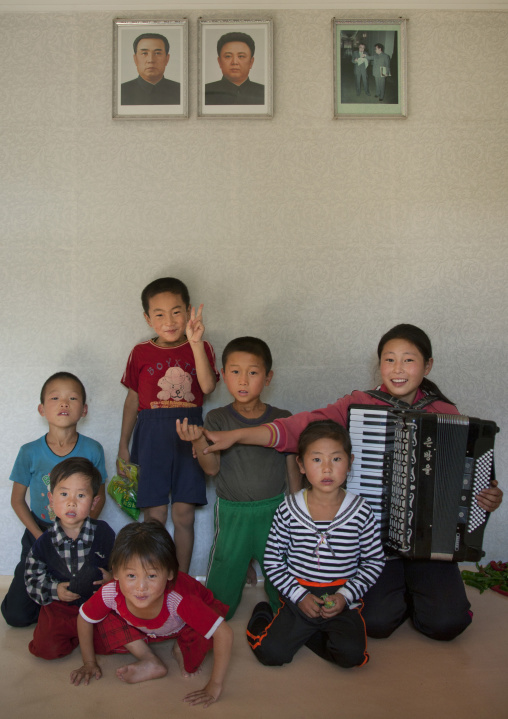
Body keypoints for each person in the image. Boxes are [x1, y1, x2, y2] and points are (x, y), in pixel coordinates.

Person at [202, 324, 503, 641]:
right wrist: (235, 435)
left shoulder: (445, 413)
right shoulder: (359, 405)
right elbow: (298, 428)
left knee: (447, 625)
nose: (397, 370)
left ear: (427, 366)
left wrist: (486, 497)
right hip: (376, 545)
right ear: (379, 365)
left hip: (429, 546)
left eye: (408, 360)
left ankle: (422, 592)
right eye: (389, 360)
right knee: (374, 624)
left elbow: (463, 484)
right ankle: (407, 592)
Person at [176, 336, 301, 619]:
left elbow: (293, 468)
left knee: (282, 571)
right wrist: (197, 441)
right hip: (233, 512)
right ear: (223, 375)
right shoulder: (218, 419)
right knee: (224, 574)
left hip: (276, 511)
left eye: (253, 372)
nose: (243, 380)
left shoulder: (282, 419)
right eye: (235, 372)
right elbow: (211, 469)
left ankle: (287, 616)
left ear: (268, 377)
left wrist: (297, 509)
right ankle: (215, 619)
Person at [247, 420, 384, 668]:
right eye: (317, 460)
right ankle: (263, 615)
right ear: (301, 464)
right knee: (272, 654)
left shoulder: (362, 511)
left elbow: (374, 562)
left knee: (352, 657)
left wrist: (345, 596)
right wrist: (299, 597)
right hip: (299, 595)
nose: (327, 469)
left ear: (350, 461)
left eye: (336, 459)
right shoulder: (288, 509)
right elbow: (273, 561)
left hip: (342, 598)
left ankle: (311, 635)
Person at [70, 521, 233, 708]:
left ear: (170, 573)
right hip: (144, 628)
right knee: (99, 628)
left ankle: (180, 647)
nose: (141, 587)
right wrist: (89, 662)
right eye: (131, 576)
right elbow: (84, 618)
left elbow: (224, 633)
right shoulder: (111, 592)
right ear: (115, 572)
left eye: (152, 576)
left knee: (206, 636)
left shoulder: (180, 599)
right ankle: (149, 659)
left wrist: (215, 685)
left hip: (182, 624)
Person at [118, 277, 219, 572]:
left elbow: (208, 387)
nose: (169, 320)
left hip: (190, 437)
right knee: (154, 516)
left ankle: (182, 578)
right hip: (150, 437)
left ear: (188, 312)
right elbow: (132, 402)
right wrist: (124, 444)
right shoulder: (140, 352)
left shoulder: (202, 347)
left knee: (184, 515)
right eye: (159, 314)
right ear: (148, 318)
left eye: (176, 311)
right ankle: (154, 576)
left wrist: (197, 343)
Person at [1, 372, 107, 628]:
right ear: (41, 409)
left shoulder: (93, 449)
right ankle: (49, 592)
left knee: (86, 604)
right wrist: (40, 537)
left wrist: (80, 532)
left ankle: (61, 599)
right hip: (40, 532)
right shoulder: (29, 452)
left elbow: (99, 495)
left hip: (79, 535)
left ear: (84, 409)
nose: (64, 403)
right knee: (15, 616)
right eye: (55, 398)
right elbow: (17, 501)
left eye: (72, 398)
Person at [25, 457, 115, 659]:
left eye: (81, 495)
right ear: (51, 499)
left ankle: (85, 636)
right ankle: (68, 634)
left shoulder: (104, 533)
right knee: (45, 649)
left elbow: (121, 564)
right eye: (64, 494)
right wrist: (55, 590)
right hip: (59, 609)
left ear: (94, 502)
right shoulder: (44, 542)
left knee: (113, 644)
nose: (71, 502)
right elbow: (32, 579)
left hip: (95, 606)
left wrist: (112, 578)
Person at [205, 32, 264, 106]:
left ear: (251, 62)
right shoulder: (205, 92)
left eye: (241, 56)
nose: (234, 62)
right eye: (228, 56)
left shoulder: (265, 93)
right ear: (219, 62)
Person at [121, 33, 180, 106]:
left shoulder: (181, 91)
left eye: (157, 53)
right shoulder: (120, 92)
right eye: (144, 53)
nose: (151, 60)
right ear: (135, 59)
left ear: (167, 59)